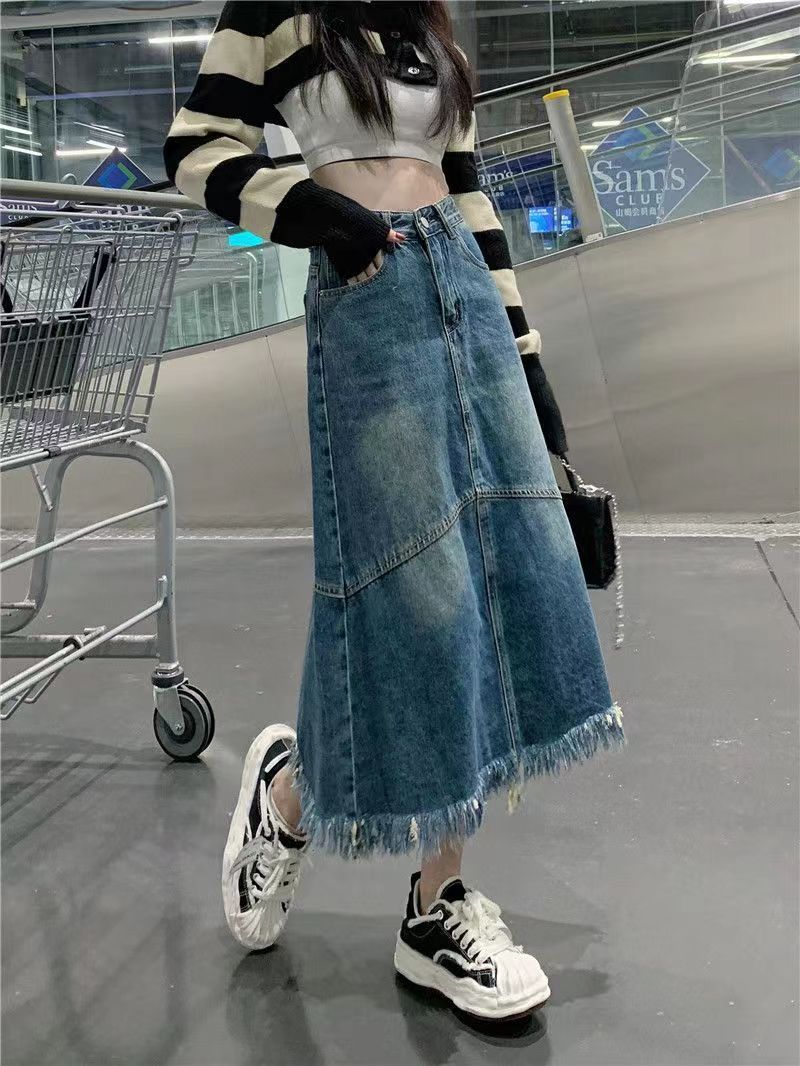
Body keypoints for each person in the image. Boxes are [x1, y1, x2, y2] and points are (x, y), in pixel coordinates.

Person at [164, 0, 624, 1022]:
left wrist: (528, 360)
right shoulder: (276, 14)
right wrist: (316, 217)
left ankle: (435, 901)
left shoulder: (425, 26)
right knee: (418, 590)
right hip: (366, 300)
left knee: (500, 580)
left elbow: (467, 191)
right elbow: (195, 150)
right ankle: (294, 797)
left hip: (462, 292)